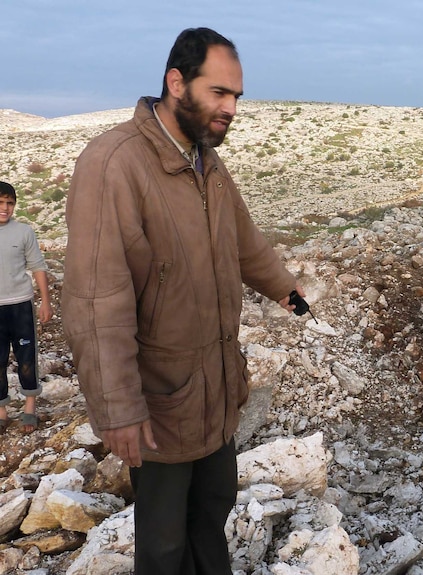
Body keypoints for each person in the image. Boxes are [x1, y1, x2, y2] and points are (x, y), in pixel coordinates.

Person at [62, 27, 304, 574]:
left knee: (212, 511)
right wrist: (118, 409)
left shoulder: (206, 163)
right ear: (176, 82)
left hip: (215, 388)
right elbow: (97, 300)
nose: (231, 108)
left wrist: (286, 290)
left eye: (237, 96)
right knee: (165, 540)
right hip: (160, 404)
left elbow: (244, 242)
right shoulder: (114, 163)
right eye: (220, 93)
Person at [0, 181, 53, 434]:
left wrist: (45, 301)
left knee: (26, 359)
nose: (5, 208)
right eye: (0, 202)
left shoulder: (24, 232)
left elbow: (38, 266)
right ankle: (2, 411)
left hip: (21, 305)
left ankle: (29, 409)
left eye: (10, 203)